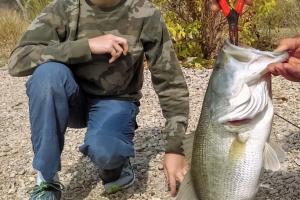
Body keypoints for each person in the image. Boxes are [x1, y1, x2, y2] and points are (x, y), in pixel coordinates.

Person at [8, 0, 189, 199]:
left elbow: (170, 82)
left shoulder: (144, 13)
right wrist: (86, 46)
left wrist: (175, 148)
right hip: (70, 100)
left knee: (107, 152)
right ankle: (47, 179)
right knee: (47, 75)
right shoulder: (64, 7)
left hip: (115, 100)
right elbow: (18, 60)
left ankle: (115, 167)